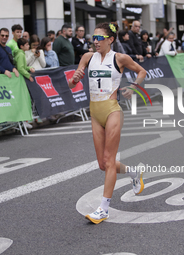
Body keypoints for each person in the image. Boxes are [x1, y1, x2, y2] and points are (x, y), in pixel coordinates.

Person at [68, 22, 147, 224]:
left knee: (110, 160)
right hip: (95, 112)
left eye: (99, 38)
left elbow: (141, 71)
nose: (95, 41)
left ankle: (103, 209)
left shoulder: (119, 58)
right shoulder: (87, 57)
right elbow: (72, 84)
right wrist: (74, 79)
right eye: (93, 38)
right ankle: (133, 172)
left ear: (110, 40)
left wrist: (134, 87)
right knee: (103, 164)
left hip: (112, 110)